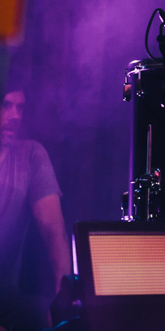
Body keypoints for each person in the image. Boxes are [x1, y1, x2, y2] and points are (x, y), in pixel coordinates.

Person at [0, 88, 72, 331]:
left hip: (4, 297)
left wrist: (66, 299)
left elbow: (53, 230)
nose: (14, 116)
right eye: (6, 106)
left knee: (44, 315)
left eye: (20, 107)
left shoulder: (30, 155)